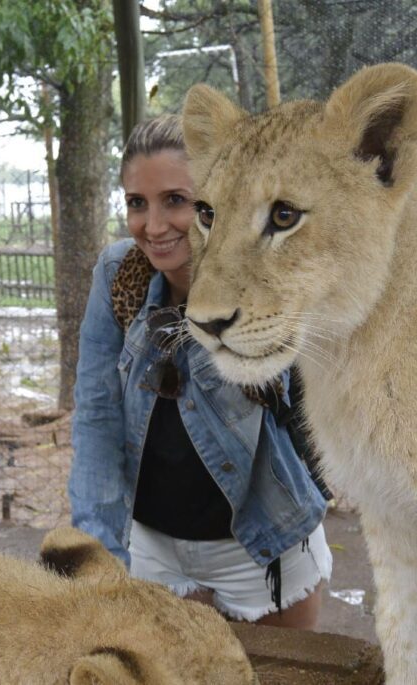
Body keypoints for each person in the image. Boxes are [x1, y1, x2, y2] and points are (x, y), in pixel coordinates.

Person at [68, 114, 332, 629]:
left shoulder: (273, 277)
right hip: (152, 546)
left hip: (263, 541)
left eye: (176, 200)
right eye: (137, 203)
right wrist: (98, 559)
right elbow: (96, 416)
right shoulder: (118, 274)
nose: (153, 226)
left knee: (280, 667)